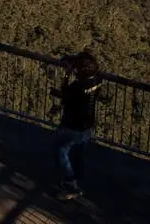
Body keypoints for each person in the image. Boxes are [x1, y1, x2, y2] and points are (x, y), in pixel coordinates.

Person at [50, 51, 104, 199]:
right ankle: (75, 181)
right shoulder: (98, 79)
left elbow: (64, 91)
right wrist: (73, 61)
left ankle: (71, 185)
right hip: (87, 124)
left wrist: (67, 74)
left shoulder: (78, 86)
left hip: (74, 124)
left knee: (61, 150)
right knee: (79, 153)